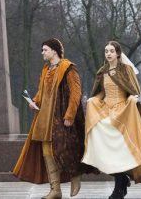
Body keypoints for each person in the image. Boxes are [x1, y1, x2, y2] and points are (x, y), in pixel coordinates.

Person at [13, 38, 89, 199]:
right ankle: (55, 190)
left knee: (64, 149)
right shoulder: (46, 70)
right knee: (47, 151)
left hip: (61, 117)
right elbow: (42, 91)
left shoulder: (68, 68)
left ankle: (75, 175)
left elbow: (76, 94)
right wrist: (34, 101)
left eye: (45, 50)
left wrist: (69, 115)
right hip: (44, 118)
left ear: (54, 51)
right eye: (42, 50)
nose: (42, 53)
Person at [82, 41, 141, 199]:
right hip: (107, 110)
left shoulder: (125, 70)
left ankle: (120, 186)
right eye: (106, 51)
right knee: (107, 149)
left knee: (121, 151)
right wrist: (93, 101)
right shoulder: (102, 71)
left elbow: (133, 91)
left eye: (111, 51)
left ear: (117, 53)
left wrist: (132, 100)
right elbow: (101, 93)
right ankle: (121, 181)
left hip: (123, 112)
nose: (108, 54)